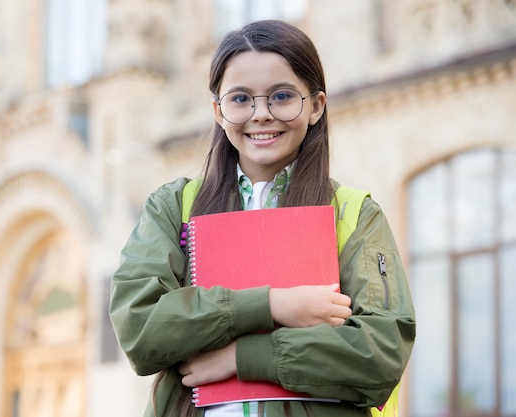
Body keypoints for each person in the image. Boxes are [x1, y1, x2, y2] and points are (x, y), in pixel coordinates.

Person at [109, 19, 416, 417]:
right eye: (241, 99)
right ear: (218, 112)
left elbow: (381, 352)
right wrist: (272, 305)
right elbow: (140, 329)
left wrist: (243, 356)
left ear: (316, 106)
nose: (261, 114)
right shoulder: (173, 207)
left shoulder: (354, 213)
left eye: (282, 96)